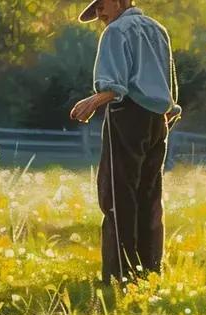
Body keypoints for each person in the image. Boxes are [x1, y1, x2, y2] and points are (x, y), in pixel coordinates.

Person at [70, 0, 181, 283]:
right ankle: (150, 271)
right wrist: (167, 113)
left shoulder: (116, 31)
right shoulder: (158, 30)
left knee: (118, 195)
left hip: (128, 114)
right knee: (149, 195)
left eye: (102, 6)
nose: (99, 14)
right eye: (96, 9)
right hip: (158, 119)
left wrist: (93, 101)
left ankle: (120, 274)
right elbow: (168, 85)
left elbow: (114, 86)